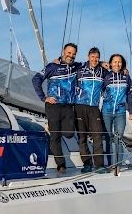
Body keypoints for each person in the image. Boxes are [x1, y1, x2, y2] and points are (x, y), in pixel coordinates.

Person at [33, 43, 81, 176]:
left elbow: (91, 64)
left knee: (69, 133)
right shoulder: (52, 66)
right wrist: (44, 97)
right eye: (68, 52)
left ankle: (51, 125)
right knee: (55, 136)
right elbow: (36, 79)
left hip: (68, 106)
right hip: (53, 105)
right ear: (63, 52)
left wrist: (104, 63)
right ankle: (61, 165)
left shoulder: (76, 67)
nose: (70, 56)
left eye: (73, 54)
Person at [75, 47, 107, 173]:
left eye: (97, 57)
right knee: (82, 137)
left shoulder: (102, 71)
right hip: (79, 106)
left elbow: (114, 71)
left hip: (94, 107)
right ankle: (86, 164)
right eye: (93, 57)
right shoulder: (80, 68)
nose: (95, 59)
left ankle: (99, 165)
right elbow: (68, 63)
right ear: (88, 57)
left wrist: (124, 71)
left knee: (97, 136)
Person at [102, 53, 132, 167]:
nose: (117, 64)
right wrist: (102, 64)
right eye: (115, 61)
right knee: (107, 138)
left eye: (119, 62)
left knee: (119, 138)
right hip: (106, 111)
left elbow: (130, 95)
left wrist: (131, 111)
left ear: (122, 64)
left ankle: (118, 165)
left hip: (120, 112)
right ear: (110, 63)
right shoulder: (106, 75)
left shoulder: (126, 77)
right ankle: (110, 164)